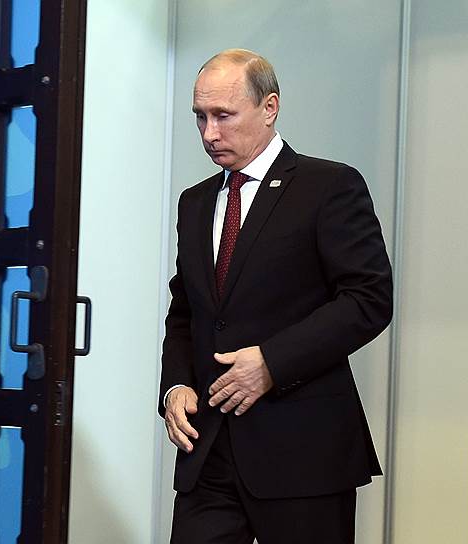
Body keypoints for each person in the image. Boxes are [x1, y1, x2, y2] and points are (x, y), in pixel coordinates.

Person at [158, 48, 392, 543]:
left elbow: (369, 298)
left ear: (270, 107)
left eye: (223, 116)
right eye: (200, 116)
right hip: (209, 452)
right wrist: (175, 386)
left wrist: (272, 362)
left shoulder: (329, 186)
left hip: (303, 452)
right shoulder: (194, 203)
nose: (209, 133)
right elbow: (186, 312)